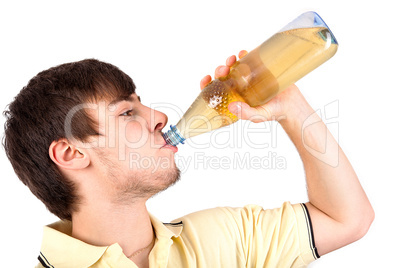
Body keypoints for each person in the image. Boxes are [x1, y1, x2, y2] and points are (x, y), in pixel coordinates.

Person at [3, 51, 374, 268]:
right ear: (71, 153)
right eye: (126, 113)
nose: (158, 117)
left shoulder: (225, 237)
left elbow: (347, 220)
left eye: (141, 103)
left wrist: (291, 109)